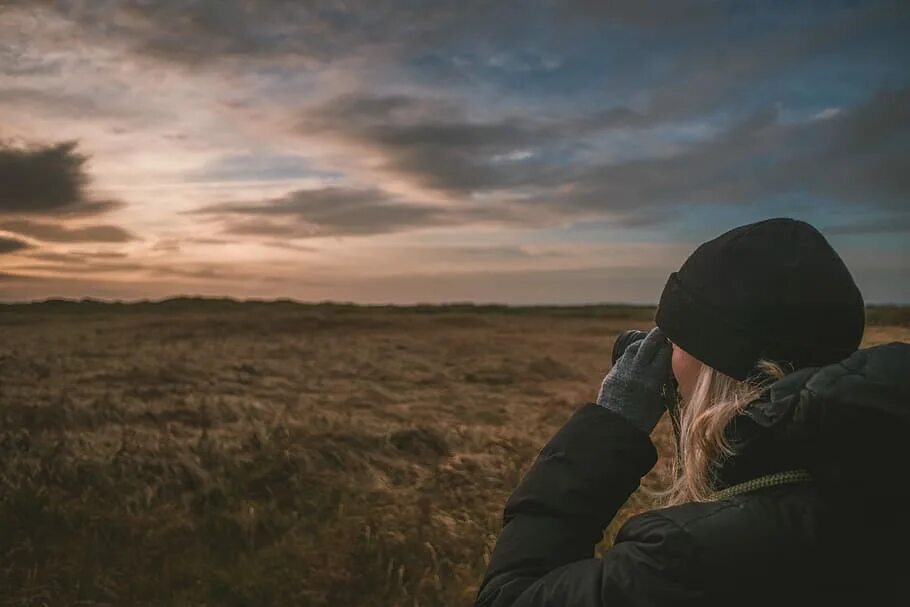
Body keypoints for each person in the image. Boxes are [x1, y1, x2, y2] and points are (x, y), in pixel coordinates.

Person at [473, 217, 910, 606]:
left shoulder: (688, 556)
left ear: (716, 365)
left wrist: (611, 423)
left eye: (674, 344)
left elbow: (509, 597)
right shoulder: (878, 473)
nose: (666, 359)